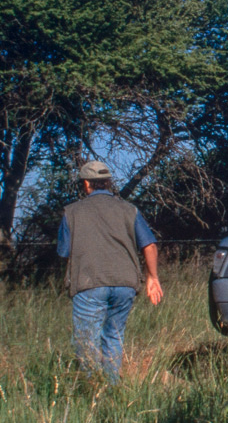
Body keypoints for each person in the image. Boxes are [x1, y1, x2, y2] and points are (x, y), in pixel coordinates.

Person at [56, 161, 163, 382]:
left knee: (87, 342)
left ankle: (93, 391)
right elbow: (150, 245)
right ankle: (112, 387)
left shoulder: (71, 212)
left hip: (89, 283)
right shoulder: (129, 209)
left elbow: (63, 253)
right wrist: (152, 277)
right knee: (113, 336)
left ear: (86, 184)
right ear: (109, 182)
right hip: (125, 284)